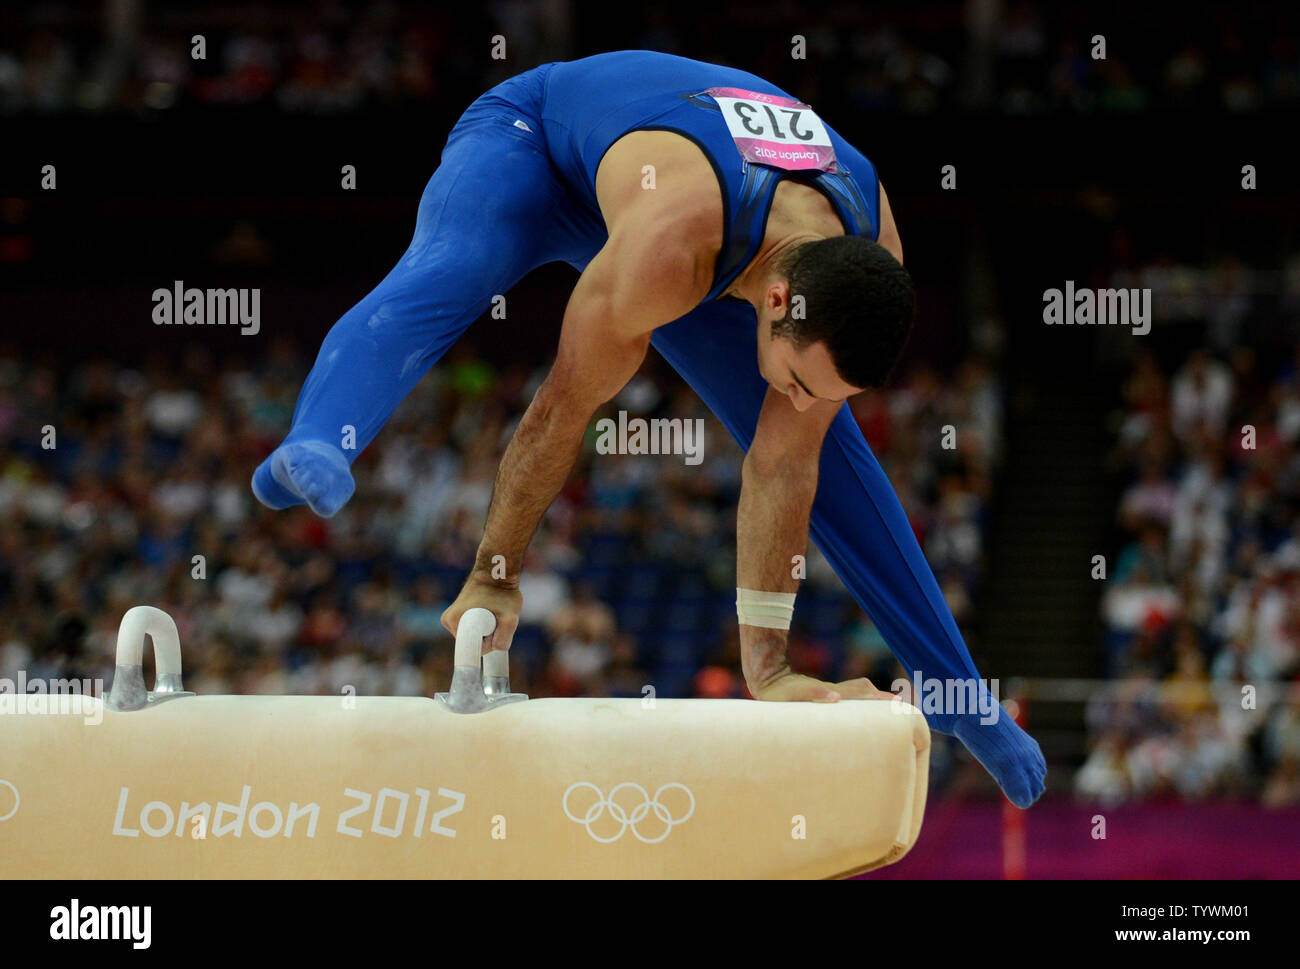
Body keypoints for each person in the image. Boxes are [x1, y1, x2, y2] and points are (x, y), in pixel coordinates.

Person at [251, 50, 1045, 807]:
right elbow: (563, 408)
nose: (799, 398)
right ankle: (324, 433)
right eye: (802, 379)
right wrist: (496, 569)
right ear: (775, 302)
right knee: (456, 264)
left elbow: (783, 462)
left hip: (718, 230)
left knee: (823, 444)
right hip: (539, 146)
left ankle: (956, 690)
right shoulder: (672, 247)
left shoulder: (866, 256)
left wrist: (768, 667)